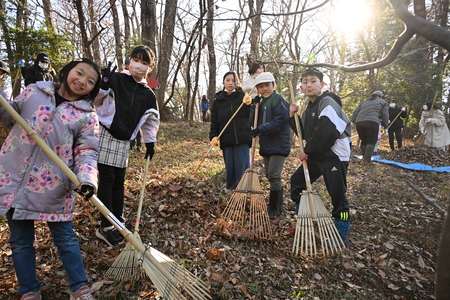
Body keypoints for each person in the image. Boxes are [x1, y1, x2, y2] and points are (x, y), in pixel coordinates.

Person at [0, 58, 101, 300]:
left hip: (55, 184)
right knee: (21, 241)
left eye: (90, 81)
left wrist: (86, 179)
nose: (82, 82)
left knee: (65, 238)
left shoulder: (87, 115)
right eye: (79, 73)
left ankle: (79, 286)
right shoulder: (35, 91)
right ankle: (29, 290)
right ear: (67, 71)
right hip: (15, 179)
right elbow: (8, 117)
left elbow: (87, 150)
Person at [94, 45, 160, 246]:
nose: (139, 66)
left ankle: (117, 220)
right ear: (130, 61)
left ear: (150, 68)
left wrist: (150, 143)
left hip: (124, 140)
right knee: (107, 180)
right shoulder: (115, 79)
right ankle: (105, 226)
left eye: (145, 63)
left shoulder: (148, 94)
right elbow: (95, 99)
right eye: (137, 60)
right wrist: (103, 83)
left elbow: (151, 121)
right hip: (105, 133)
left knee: (118, 182)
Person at [289, 68, 351, 245]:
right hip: (318, 155)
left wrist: (308, 151)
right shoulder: (310, 108)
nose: (309, 85)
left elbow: (327, 131)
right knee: (298, 182)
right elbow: (305, 133)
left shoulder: (328, 103)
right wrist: (292, 117)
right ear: (301, 87)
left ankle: (342, 228)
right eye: (305, 82)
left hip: (334, 156)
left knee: (338, 194)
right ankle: (304, 218)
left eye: (313, 81)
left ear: (322, 85)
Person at [250, 72, 290, 217]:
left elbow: (279, 122)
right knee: (269, 175)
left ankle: (273, 208)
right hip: (266, 144)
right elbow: (252, 121)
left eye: (267, 85)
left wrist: (260, 129)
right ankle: (278, 206)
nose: (264, 89)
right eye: (261, 86)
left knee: (273, 175)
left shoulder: (280, 100)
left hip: (279, 144)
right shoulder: (260, 103)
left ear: (274, 85)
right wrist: (254, 107)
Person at [209, 71, 252, 192]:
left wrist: (249, 104)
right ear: (223, 82)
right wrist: (214, 136)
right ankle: (231, 189)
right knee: (230, 166)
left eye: (233, 81)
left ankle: (243, 190)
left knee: (242, 165)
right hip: (226, 139)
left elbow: (251, 115)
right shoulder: (218, 101)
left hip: (242, 137)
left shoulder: (242, 97)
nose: (230, 83)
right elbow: (215, 122)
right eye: (228, 80)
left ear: (236, 83)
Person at [351, 90, 389, 163]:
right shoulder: (383, 102)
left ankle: (364, 158)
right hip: (372, 122)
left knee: (364, 140)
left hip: (360, 122)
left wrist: (353, 121)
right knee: (371, 141)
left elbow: (356, 111)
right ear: (380, 97)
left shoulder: (364, 102)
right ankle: (367, 160)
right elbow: (385, 115)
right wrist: (386, 126)